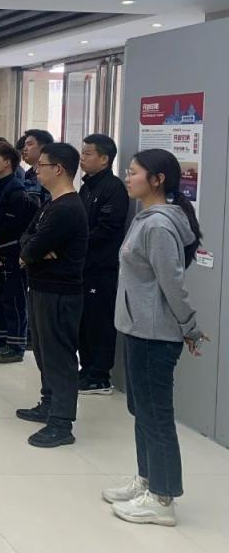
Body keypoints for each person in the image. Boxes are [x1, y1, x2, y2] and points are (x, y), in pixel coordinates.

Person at [104, 149, 207, 527]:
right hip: (137, 328)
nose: (127, 177)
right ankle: (147, 479)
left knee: (156, 415)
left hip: (154, 335)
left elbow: (172, 284)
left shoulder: (160, 226)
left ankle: (163, 499)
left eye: (134, 172)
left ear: (157, 180)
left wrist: (190, 327)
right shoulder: (146, 217)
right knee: (142, 411)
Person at [16, 142, 89, 448]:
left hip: (60, 292)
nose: (36, 170)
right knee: (44, 353)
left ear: (58, 169)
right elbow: (26, 239)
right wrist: (32, 250)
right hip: (41, 287)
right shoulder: (51, 203)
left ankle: (61, 422)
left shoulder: (68, 208)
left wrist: (32, 251)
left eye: (41, 165)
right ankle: (48, 403)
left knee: (59, 357)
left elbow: (32, 248)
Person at [78, 133, 130, 395]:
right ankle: (86, 369)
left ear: (104, 159)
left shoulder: (113, 188)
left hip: (102, 268)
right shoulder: (86, 187)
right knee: (84, 321)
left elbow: (107, 229)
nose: (82, 158)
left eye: (87, 154)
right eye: (82, 152)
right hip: (83, 265)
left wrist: (76, 242)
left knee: (99, 322)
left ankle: (100, 377)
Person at [0, 140, 38, 363]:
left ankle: (16, 345)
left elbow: (14, 226)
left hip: (9, 251)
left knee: (13, 298)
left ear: (7, 162)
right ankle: (1, 336)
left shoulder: (16, 190)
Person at [22, 129, 55, 206]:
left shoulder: (49, 176)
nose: (25, 149)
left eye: (29, 144)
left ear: (43, 148)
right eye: (25, 145)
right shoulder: (27, 174)